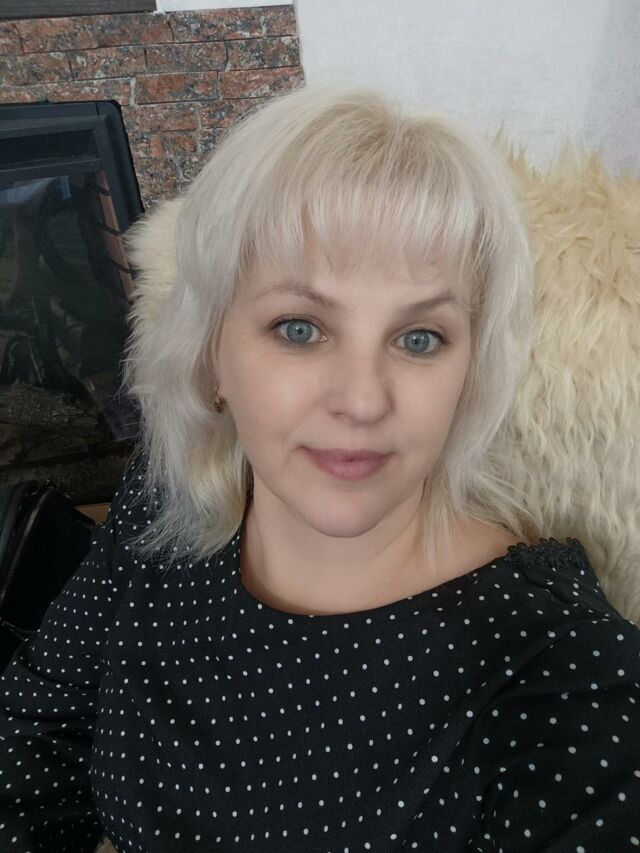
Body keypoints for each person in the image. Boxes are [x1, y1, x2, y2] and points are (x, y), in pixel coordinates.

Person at [1, 82, 639, 852]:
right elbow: (35, 736)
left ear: (470, 375)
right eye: (299, 327)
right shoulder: (161, 498)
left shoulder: (565, 671)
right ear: (211, 355)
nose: (363, 400)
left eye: (419, 338)